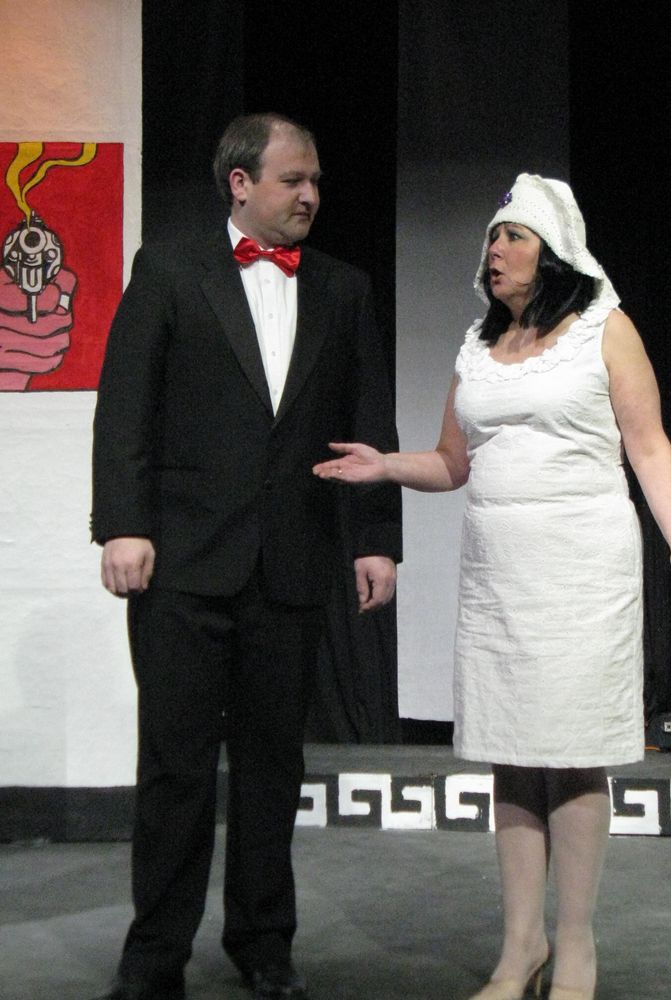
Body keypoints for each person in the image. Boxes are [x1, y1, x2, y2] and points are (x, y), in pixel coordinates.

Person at [313, 173, 671, 1000]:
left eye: (511, 236)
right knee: (513, 756)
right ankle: (520, 946)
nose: (493, 250)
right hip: (498, 573)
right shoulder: (477, 347)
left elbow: (647, 445)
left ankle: (575, 945)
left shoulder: (604, 329)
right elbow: (451, 463)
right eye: (491, 238)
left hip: (581, 566)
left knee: (572, 754)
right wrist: (385, 466)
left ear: (552, 251)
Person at [91, 111, 401, 1000]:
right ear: (240, 183)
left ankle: (264, 943)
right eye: (292, 180)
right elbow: (126, 405)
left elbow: (367, 421)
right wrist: (122, 523)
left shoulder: (342, 288)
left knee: (273, 767)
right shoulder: (169, 270)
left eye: (315, 182)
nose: (310, 195)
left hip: (291, 561)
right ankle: (155, 954)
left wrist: (375, 540)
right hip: (183, 563)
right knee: (176, 766)